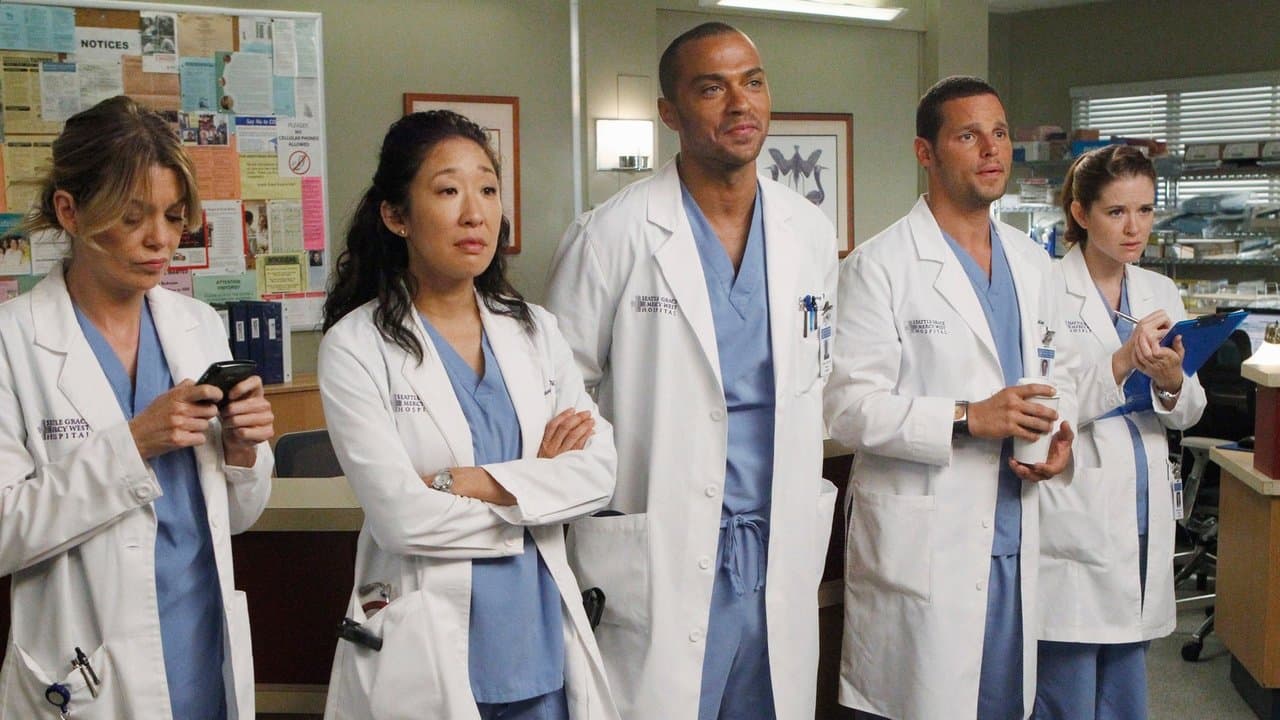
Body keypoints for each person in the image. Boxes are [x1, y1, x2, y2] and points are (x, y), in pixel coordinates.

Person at [547, 22, 839, 720]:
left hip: (775, 547)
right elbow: (557, 389)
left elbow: (815, 375)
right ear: (670, 113)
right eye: (712, 88)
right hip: (660, 549)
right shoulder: (612, 234)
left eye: (753, 82)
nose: (741, 103)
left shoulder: (808, 231)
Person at [318, 110, 619, 720]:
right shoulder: (355, 347)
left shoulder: (534, 331)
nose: (475, 213)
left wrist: (472, 482)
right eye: (448, 191)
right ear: (396, 216)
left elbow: (597, 474)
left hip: (541, 642)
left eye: (487, 188)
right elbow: (402, 519)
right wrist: (537, 493)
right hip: (426, 648)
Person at [0, 95, 274, 718]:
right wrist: (132, 445)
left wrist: (242, 452)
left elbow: (235, 517)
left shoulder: (199, 326)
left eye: (174, 217)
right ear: (69, 211)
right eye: (132, 217)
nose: (161, 240)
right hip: (85, 671)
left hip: (200, 645)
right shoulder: (13, 341)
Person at [823, 76, 1077, 719]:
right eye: (968, 136)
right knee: (928, 700)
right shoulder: (879, 266)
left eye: (999, 134)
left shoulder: (1032, 262)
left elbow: (1057, 372)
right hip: (928, 538)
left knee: (1004, 701)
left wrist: (1059, 438)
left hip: (1015, 525)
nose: (992, 150)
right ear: (925, 153)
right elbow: (847, 408)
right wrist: (967, 418)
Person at [1035, 145, 1206, 719]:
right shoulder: (1044, 289)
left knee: (1126, 691)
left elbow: (1189, 410)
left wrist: (1172, 382)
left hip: (1143, 501)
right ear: (1080, 213)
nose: (1135, 227)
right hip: (1075, 500)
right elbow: (1044, 402)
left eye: (1145, 210)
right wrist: (1121, 362)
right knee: (1067, 690)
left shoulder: (1159, 291)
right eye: (1116, 212)